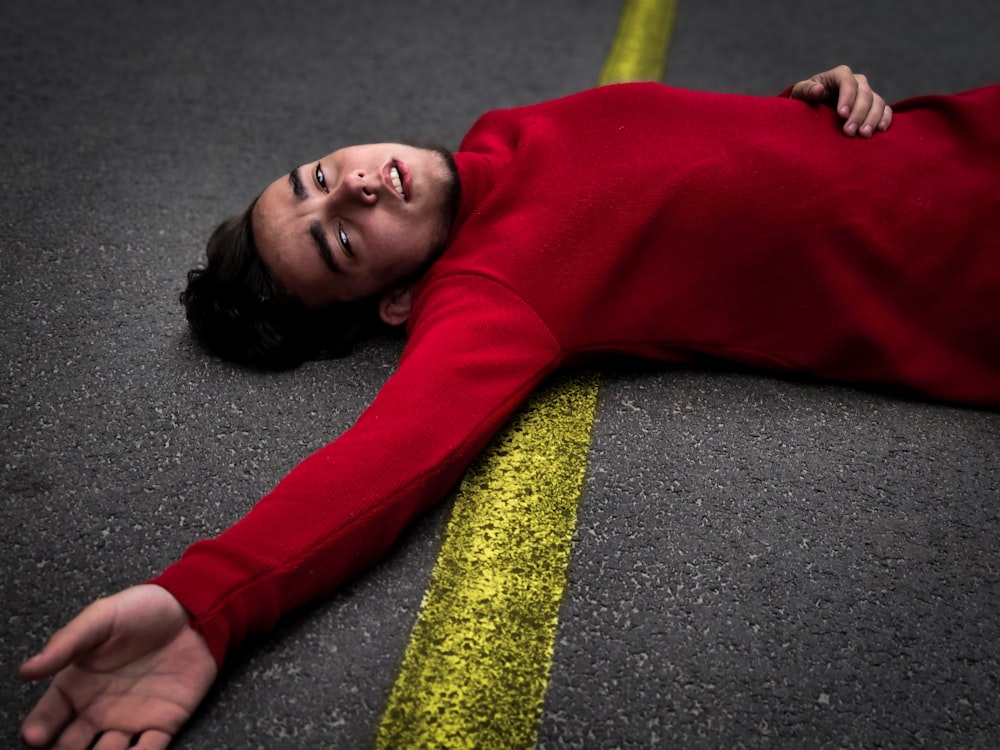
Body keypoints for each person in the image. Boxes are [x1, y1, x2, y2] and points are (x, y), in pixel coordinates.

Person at [19, 65, 999, 749]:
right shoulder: (495, 286)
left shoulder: (505, 131)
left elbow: (707, 169)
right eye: (342, 243)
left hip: (961, 129)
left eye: (318, 177)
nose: (354, 186)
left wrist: (809, 103)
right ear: (396, 302)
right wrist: (206, 601)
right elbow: (388, 456)